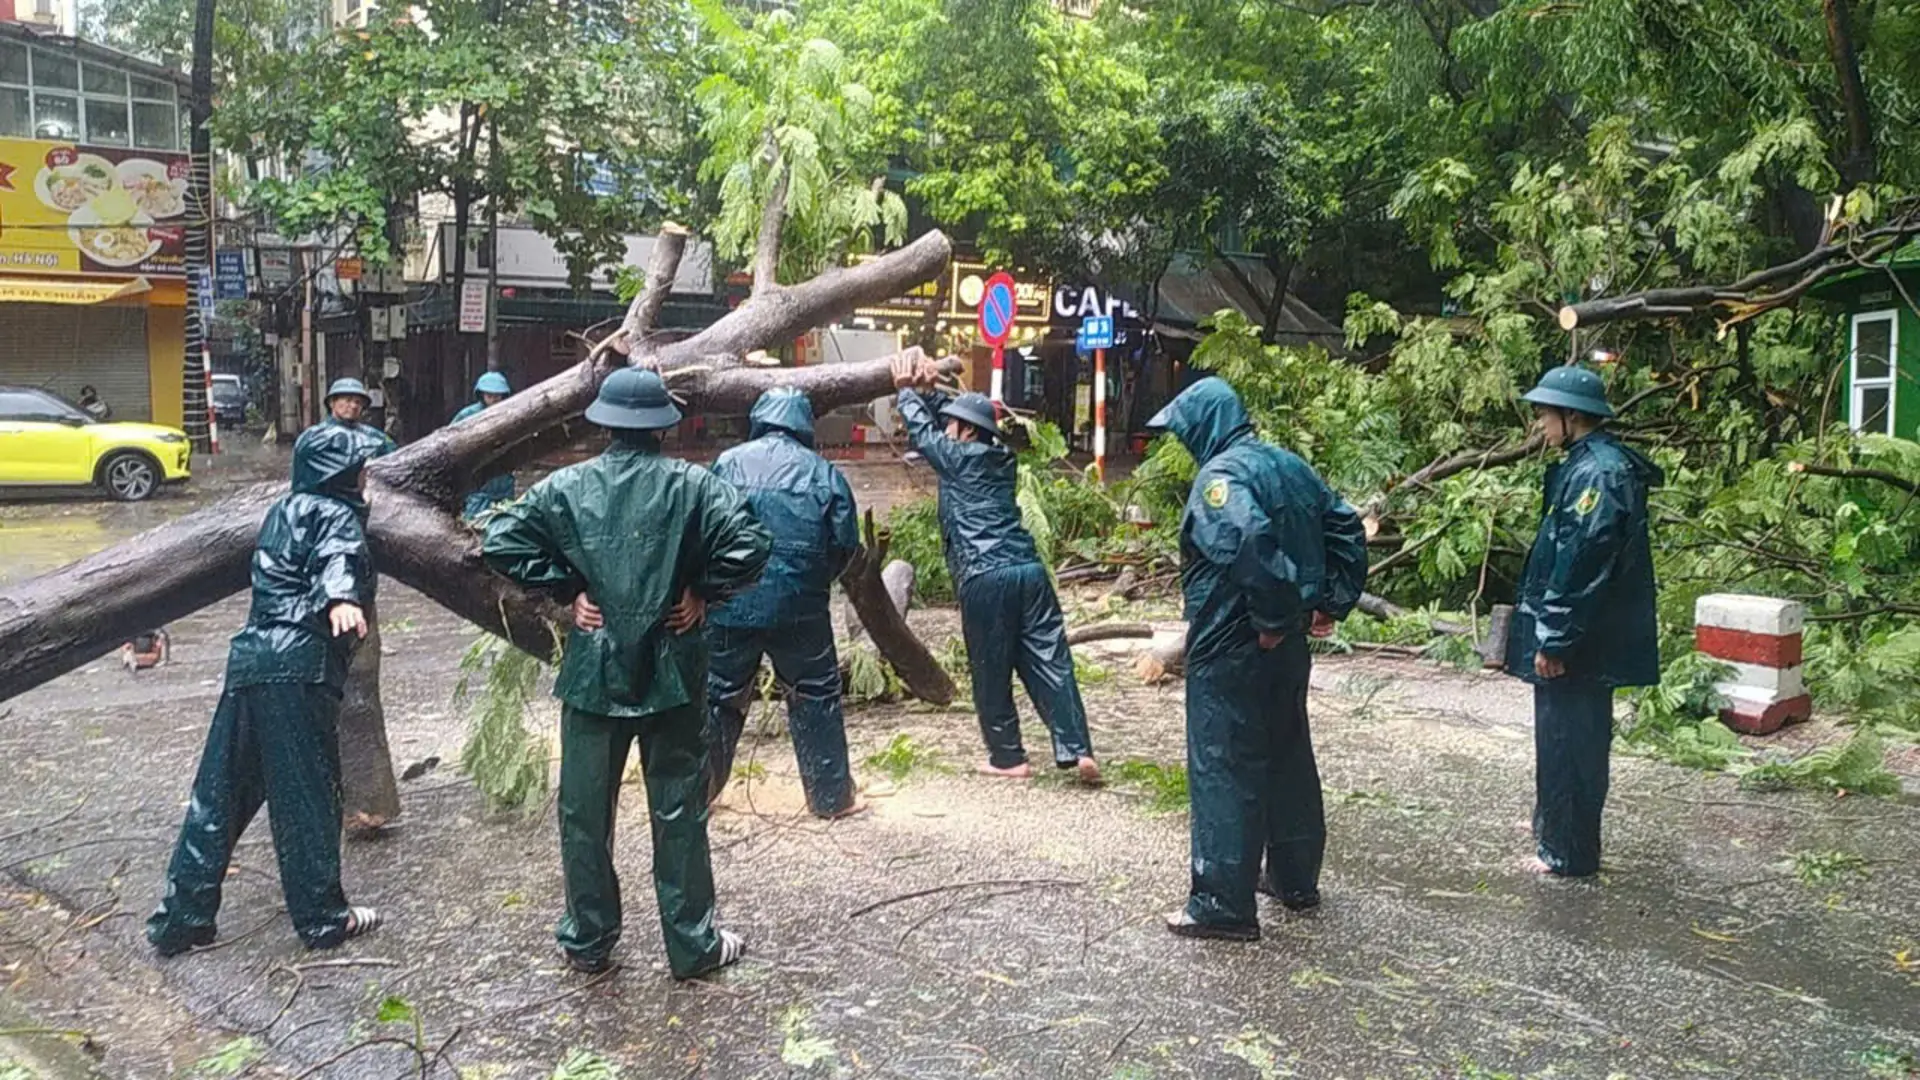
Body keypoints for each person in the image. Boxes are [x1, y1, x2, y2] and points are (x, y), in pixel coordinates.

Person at [483, 368, 771, 978]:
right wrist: (701, 590)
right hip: (672, 667)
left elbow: (500, 539)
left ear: (605, 425)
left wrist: (566, 589)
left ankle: (589, 939)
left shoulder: (565, 487)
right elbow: (752, 545)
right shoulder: (695, 486)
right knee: (679, 810)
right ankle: (692, 946)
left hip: (594, 671)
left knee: (585, 814)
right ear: (663, 427)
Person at [146, 421, 386, 956]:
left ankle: (181, 918)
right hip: (299, 666)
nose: (368, 477)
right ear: (340, 475)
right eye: (360, 468)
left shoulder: (281, 512)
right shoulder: (337, 514)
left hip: (251, 661)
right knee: (308, 794)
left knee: (219, 794)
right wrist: (342, 599)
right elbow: (338, 558)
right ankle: (324, 918)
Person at [1147, 378, 1368, 942]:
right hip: (1286, 641)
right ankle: (1295, 879)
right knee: (1288, 750)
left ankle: (1222, 901)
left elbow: (1250, 543)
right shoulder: (1291, 466)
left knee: (1223, 762)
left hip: (1234, 640)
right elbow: (1345, 525)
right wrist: (1328, 601)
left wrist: (1273, 615)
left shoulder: (1219, 480)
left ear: (1205, 425)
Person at [889, 350, 1100, 784]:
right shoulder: (999, 458)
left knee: (990, 666)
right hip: (1029, 571)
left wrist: (907, 391)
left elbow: (927, 437)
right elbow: (938, 431)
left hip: (985, 576)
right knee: (1050, 658)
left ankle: (1008, 757)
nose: (947, 428)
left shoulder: (958, 456)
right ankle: (1078, 748)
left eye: (953, 424)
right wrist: (929, 389)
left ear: (966, 431)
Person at [1505, 365, 1661, 878]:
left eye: (1545, 415)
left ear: (1571, 416)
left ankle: (1567, 852)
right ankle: (1557, 835)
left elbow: (1581, 563)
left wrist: (1555, 638)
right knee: (1565, 741)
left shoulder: (1598, 474)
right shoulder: (1588, 465)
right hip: (1587, 637)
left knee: (1570, 744)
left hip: (1584, 642)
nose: (1541, 426)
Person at [702, 387, 865, 818]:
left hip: (729, 604)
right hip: (800, 608)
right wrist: (814, 581)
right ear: (802, 423)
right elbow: (846, 543)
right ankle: (831, 798)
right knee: (815, 693)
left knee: (718, 694)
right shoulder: (822, 472)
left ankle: (698, 792)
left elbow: (701, 531)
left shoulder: (727, 463)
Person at [452, 371, 516, 520]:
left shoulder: (511, 412)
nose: (494, 400)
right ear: (482, 395)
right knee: (475, 520)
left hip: (503, 474)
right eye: (489, 396)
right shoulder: (468, 415)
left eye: (497, 396)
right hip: (478, 473)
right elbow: (451, 438)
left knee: (504, 518)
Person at [324, 378, 397, 454]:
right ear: (331, 402)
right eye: (348, 400)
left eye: (358, 402)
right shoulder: (315, 436)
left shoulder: (376, 437)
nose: (354, 406)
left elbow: (395, 459)